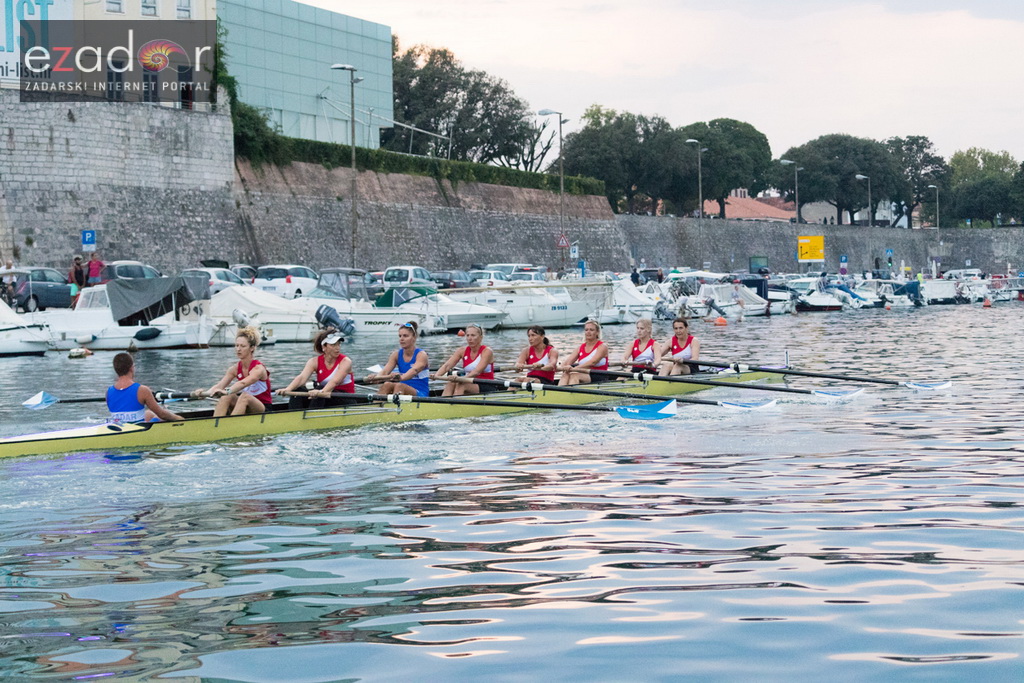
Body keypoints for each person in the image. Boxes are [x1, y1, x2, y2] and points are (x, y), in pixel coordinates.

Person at [196, 326, 272, 417]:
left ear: (252, 348)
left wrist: (228, 391)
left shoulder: (258, 369)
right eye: (237, 345)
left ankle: (231, 426)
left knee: (244, 396)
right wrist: (205, 394)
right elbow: (219, 386)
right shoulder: (234, 369)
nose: (238, 349)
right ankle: (215, 425)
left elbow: (243, 383)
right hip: (245, 407)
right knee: (227, 396)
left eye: (242, 346)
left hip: (263, 408)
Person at [276, 329, 355, 409]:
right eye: (333, 345)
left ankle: (312, 416)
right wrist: (288, 389)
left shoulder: (345, 361)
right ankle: (293, 415)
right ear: (324, 347)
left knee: (319, 390)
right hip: (324, 396)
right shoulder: (314, 361)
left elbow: (335, 381)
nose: (337, 348)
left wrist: (320, 392)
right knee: (298, 390)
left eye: (338, 344)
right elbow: (302, 378)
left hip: (345, 398)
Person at [106, 352, 183, 423]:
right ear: (132, 368)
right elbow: (162, 414)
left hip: (119, 428)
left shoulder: (108, 392)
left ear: (116, 370)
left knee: (148, 413)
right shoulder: (142, 390)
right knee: (161, 415)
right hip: (137, 431)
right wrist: (179, 419)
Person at [435, 324, 499, 396]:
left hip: (487, 385)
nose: (469, 338)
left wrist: (461, 379)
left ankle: (456, 405)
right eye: (467, 335)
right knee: (451, 383)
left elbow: (476, 372)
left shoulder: (487, 351)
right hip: (469, 381)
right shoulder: (462, 351)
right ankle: (443, 405)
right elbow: (447, 366)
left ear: (481, 337)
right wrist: (436, 375)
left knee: (461, 385)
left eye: (473, 335)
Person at [370, 321, 429, 397]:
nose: (401, 339)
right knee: (387, 384)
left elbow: (413, 371)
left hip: (420, 393)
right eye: (400, 336)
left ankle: (395, 407)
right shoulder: (396, 354)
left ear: (414, 337)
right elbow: (385, 371)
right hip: (401, 390)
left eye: (405, 336)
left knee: (399, 386)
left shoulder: (421, 355)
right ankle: (376, 407)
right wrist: (376, 377)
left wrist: (400, 377)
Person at [559, 320, 612, 386]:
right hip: (583, 374)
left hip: (599, 376)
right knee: (566, 374)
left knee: (574, 375)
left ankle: (571, 393)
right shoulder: (580, 348)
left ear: (597, 332)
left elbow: (593, 362)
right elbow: (567, 362)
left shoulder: (602, 346)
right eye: (586, 330)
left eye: (591, 330)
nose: (588, 332)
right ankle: (559, 393)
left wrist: (575, 368)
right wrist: (561, 367)